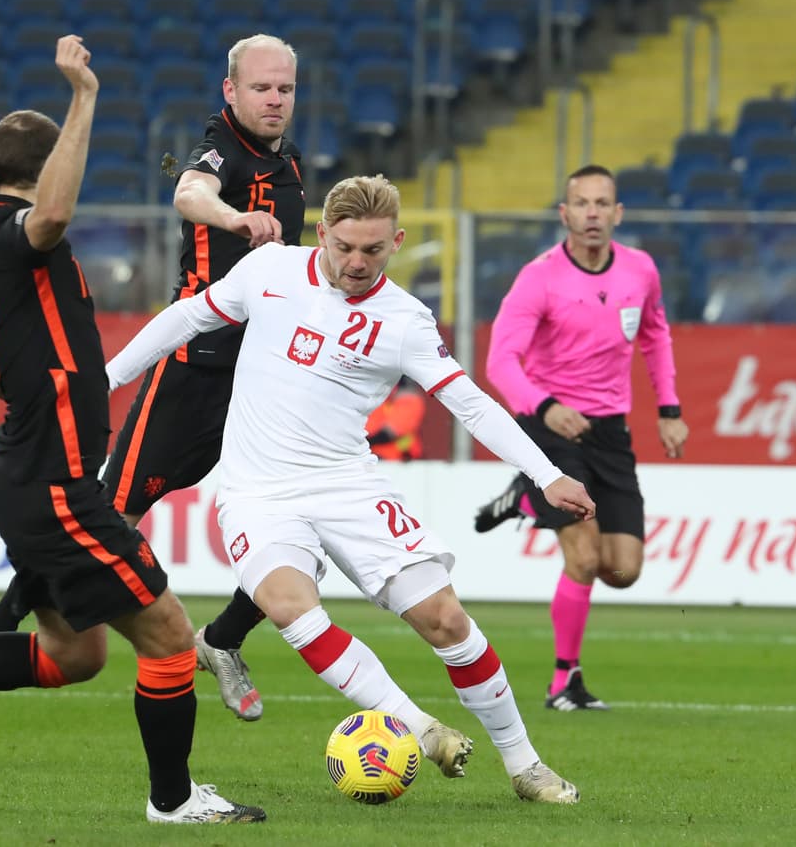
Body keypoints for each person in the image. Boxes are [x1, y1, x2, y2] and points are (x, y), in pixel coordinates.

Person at [0, 36, 265, 825]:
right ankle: (173, 800)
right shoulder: (12, 233)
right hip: (54, 482)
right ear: (39, 172)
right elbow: (55, 211)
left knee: (78, 653)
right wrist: (84, 97)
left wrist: (11, 384)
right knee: (169, 634)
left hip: (32, 475)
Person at [102, 174, 596, 804]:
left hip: (346, 483)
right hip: (259, 492)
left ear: (397, 242)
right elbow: (184, 320)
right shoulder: (269, 271)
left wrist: (547, 473)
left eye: (373, 250)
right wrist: (107, 380)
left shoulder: (406, 322)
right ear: (322, 234)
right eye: (345, 247)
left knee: (445, 620)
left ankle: (525, 767)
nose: (357, 262)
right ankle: (418, 727)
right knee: (288, 606)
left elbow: (470, 404)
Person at [0, 33, 304, 724]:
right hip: (192, 371)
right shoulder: (220, 150)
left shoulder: (289, 161)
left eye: (285, 89)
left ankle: (225, 638)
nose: (274, 99)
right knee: (105, 520)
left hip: (263, 375)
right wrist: (235, 217)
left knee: (298, 515)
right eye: (261, 87)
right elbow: (189, 191)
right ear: (230, 92)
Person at [473, 164, 688, 712]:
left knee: (623, 570)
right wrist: (545, 408)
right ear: (565, 214)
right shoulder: (539, 276)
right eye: (582, 204)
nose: (592, 214)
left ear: (617, 214)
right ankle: (563, 679)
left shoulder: (640, 271)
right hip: (550, 430)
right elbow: (501, 360)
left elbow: (656, 336)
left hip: (610, 431)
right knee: (586, 559)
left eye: (602, 204)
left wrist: (669, 407)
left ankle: (523, 497)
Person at [365, 376, 426, 461]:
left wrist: (361, 442)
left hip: (399, 460)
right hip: (371, 457)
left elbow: (390, 433)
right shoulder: (375, 400)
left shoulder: (409, 399)